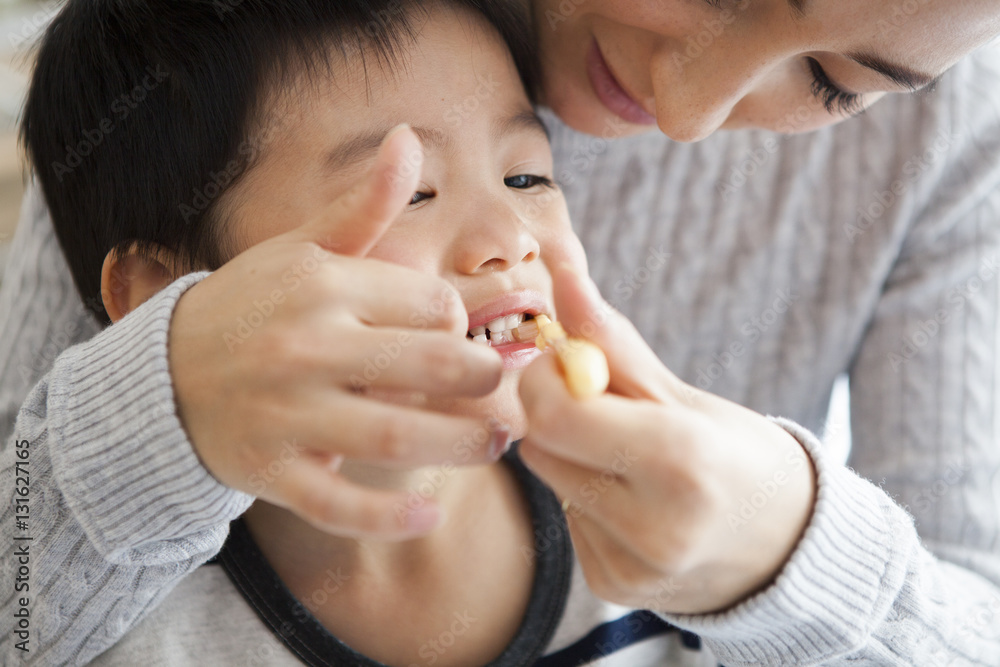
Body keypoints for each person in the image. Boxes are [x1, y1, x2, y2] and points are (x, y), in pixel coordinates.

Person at [2, 0, 999, 664]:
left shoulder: (632, 606)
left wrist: (785, 552)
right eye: (416, 190)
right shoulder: (180, 65)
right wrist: (160, 405)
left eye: (834, 82)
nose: (686, 107)